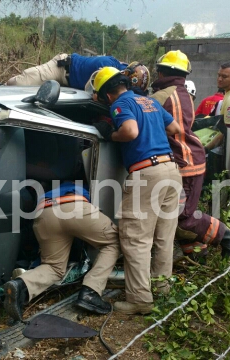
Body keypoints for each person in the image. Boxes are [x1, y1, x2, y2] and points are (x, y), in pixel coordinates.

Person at [90, 66, 182, 315]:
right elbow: (175, 129)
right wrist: (152, 135)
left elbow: (130, 132)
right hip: (171, 170)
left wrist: (111, 133)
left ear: (107, 94)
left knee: (135, 238)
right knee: (164, 236)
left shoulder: (120, 105)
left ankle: (140, 300)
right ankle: (162, 289)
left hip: (147, 173)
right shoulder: (148, 101)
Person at [151, 50, 230, 261]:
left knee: (183, 217)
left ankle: (228, 238)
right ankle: (198, 257)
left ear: (161, 73)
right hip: (185, 161)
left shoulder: (162, 95)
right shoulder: (182, 93)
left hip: (185, 163)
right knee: (173, 215)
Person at [2, 181, 120, 321]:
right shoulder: (85, 184)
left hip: (44, 212)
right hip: (74, 205)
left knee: (53, 267)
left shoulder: (54, 190)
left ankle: (21, 285)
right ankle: (91, 292)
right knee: (114, 242)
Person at [7, 53, 151, 92]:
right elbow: (93, 88)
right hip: (61, 69)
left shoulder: (117, 73)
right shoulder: (109, 65)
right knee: (17, 83)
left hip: (71, 85)